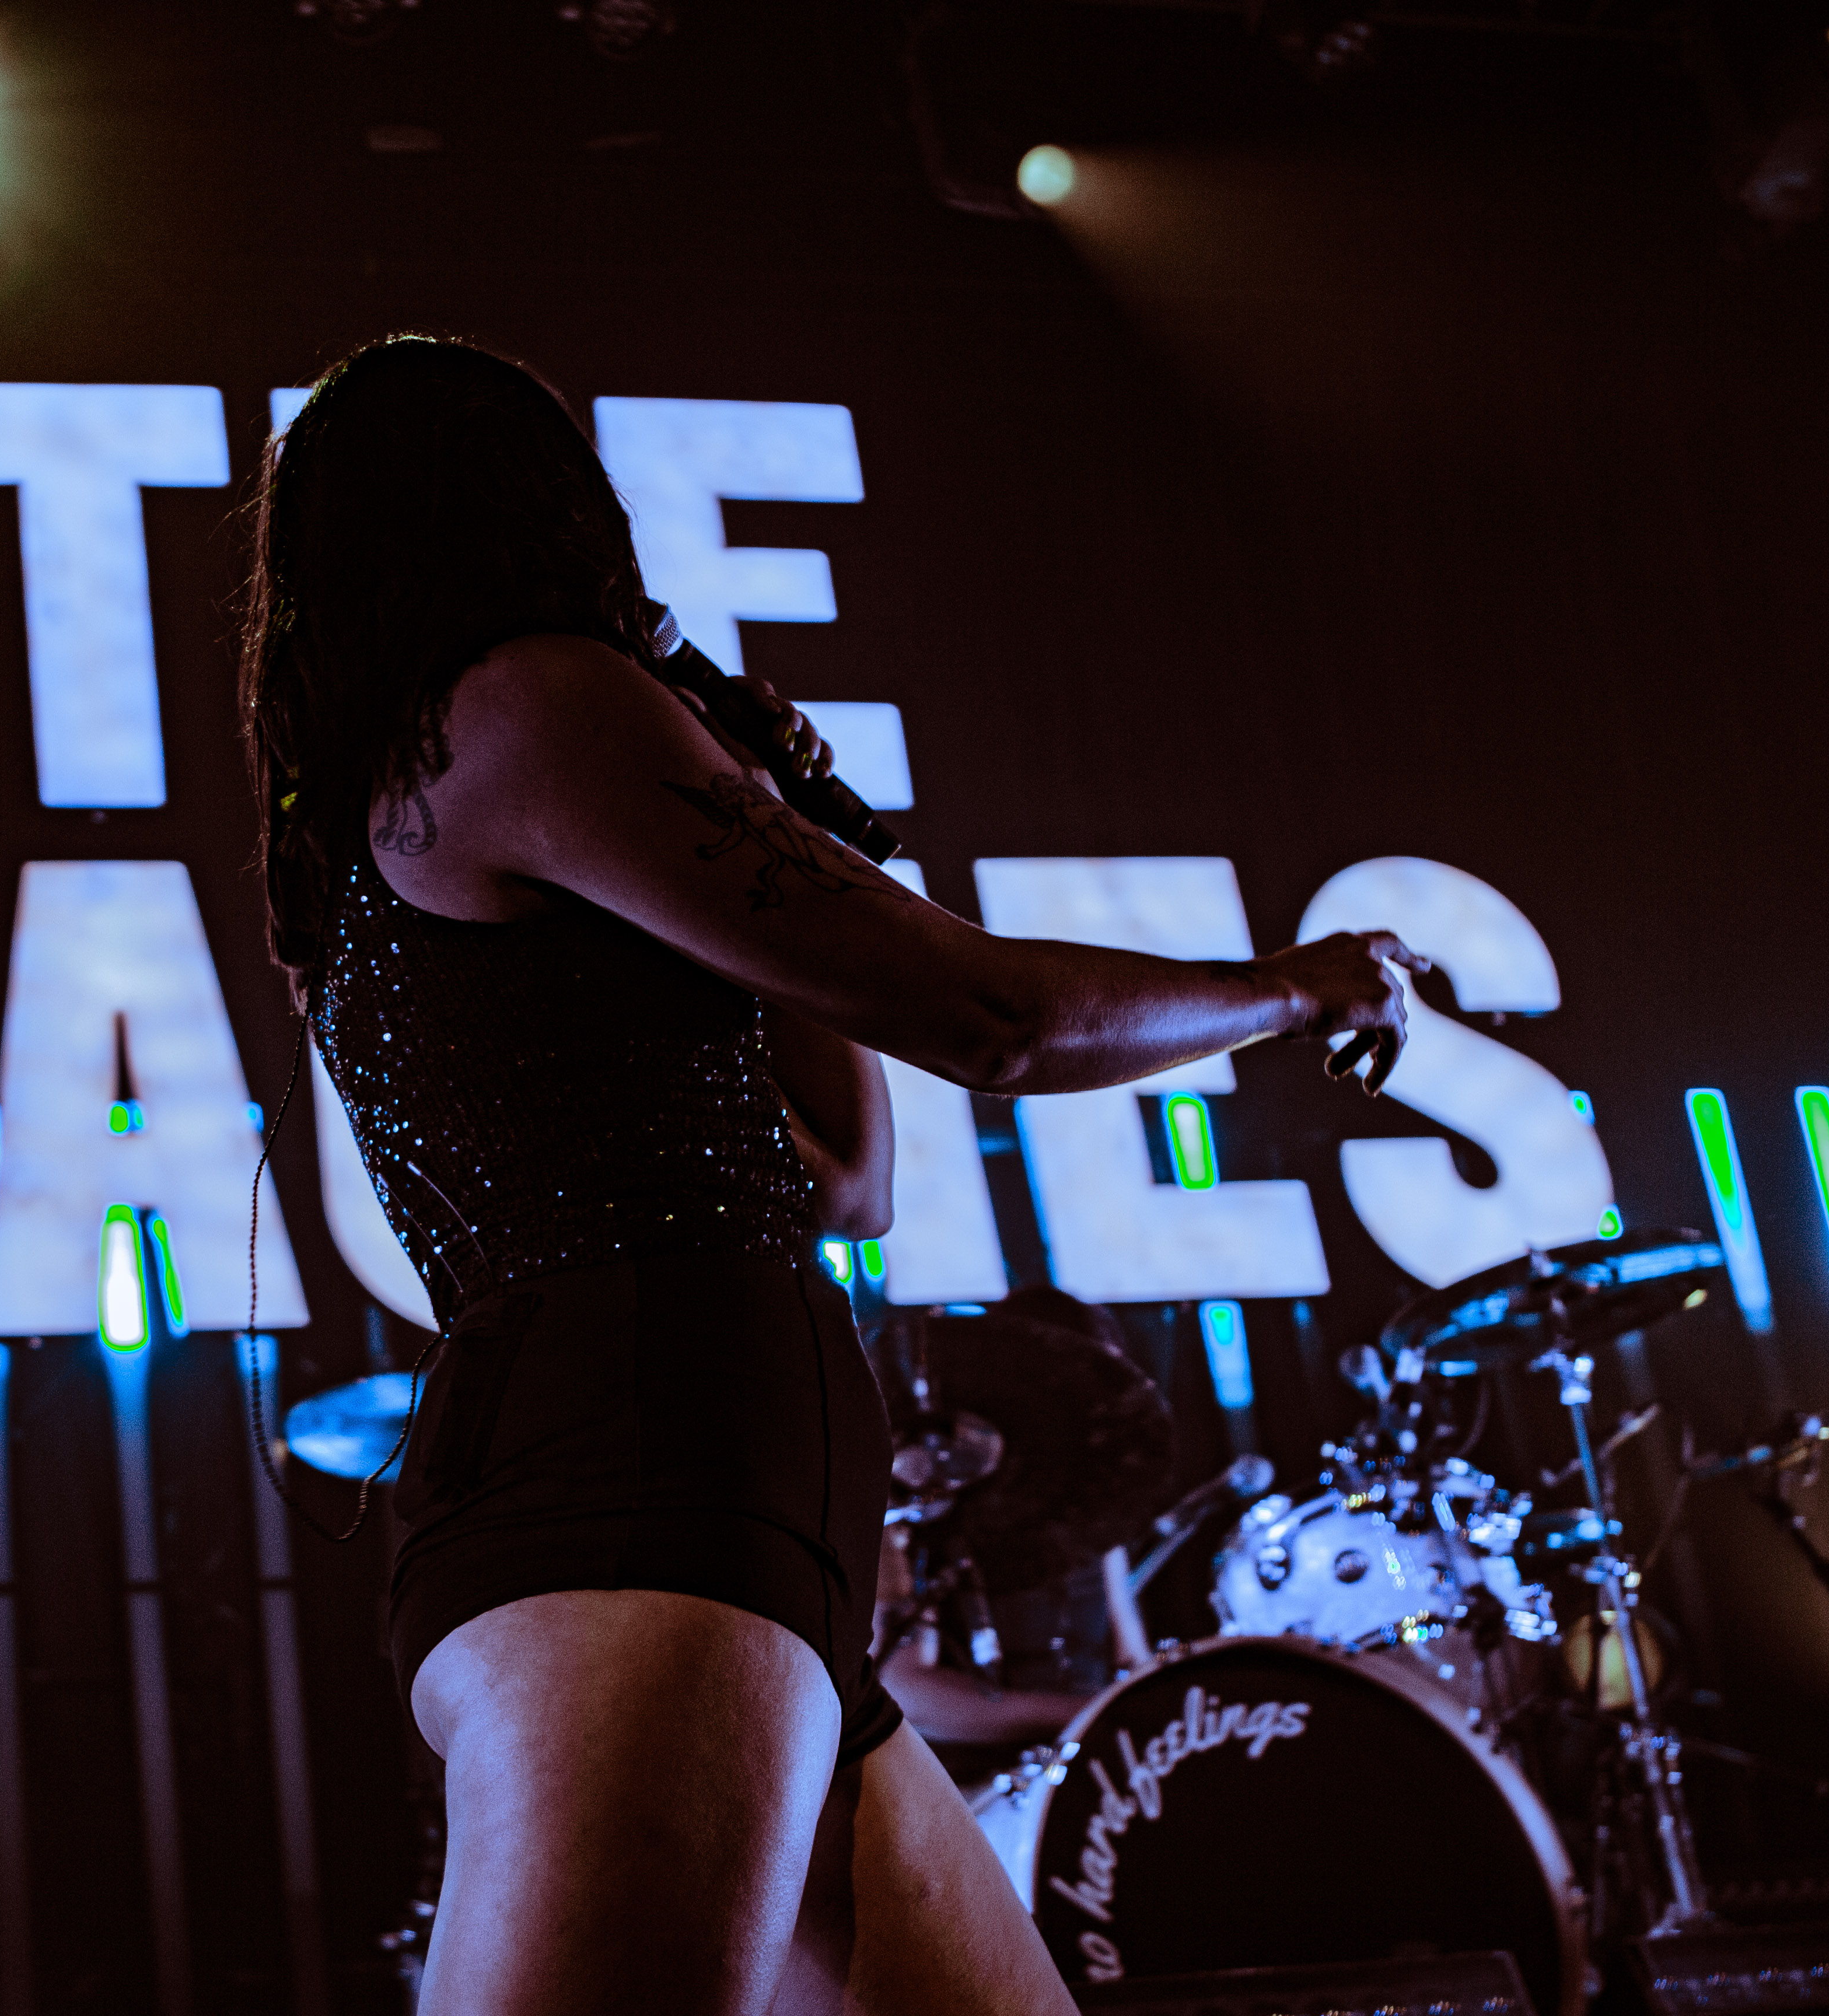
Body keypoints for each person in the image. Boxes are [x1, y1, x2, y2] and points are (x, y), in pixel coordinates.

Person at [240, 334, 1418, 2016]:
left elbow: (852, 1180)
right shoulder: (532, 704)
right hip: (646, 1512)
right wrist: (1298, 988)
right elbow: (997, 1019)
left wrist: (776, 811)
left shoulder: (417, 799)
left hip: (731, 1531)